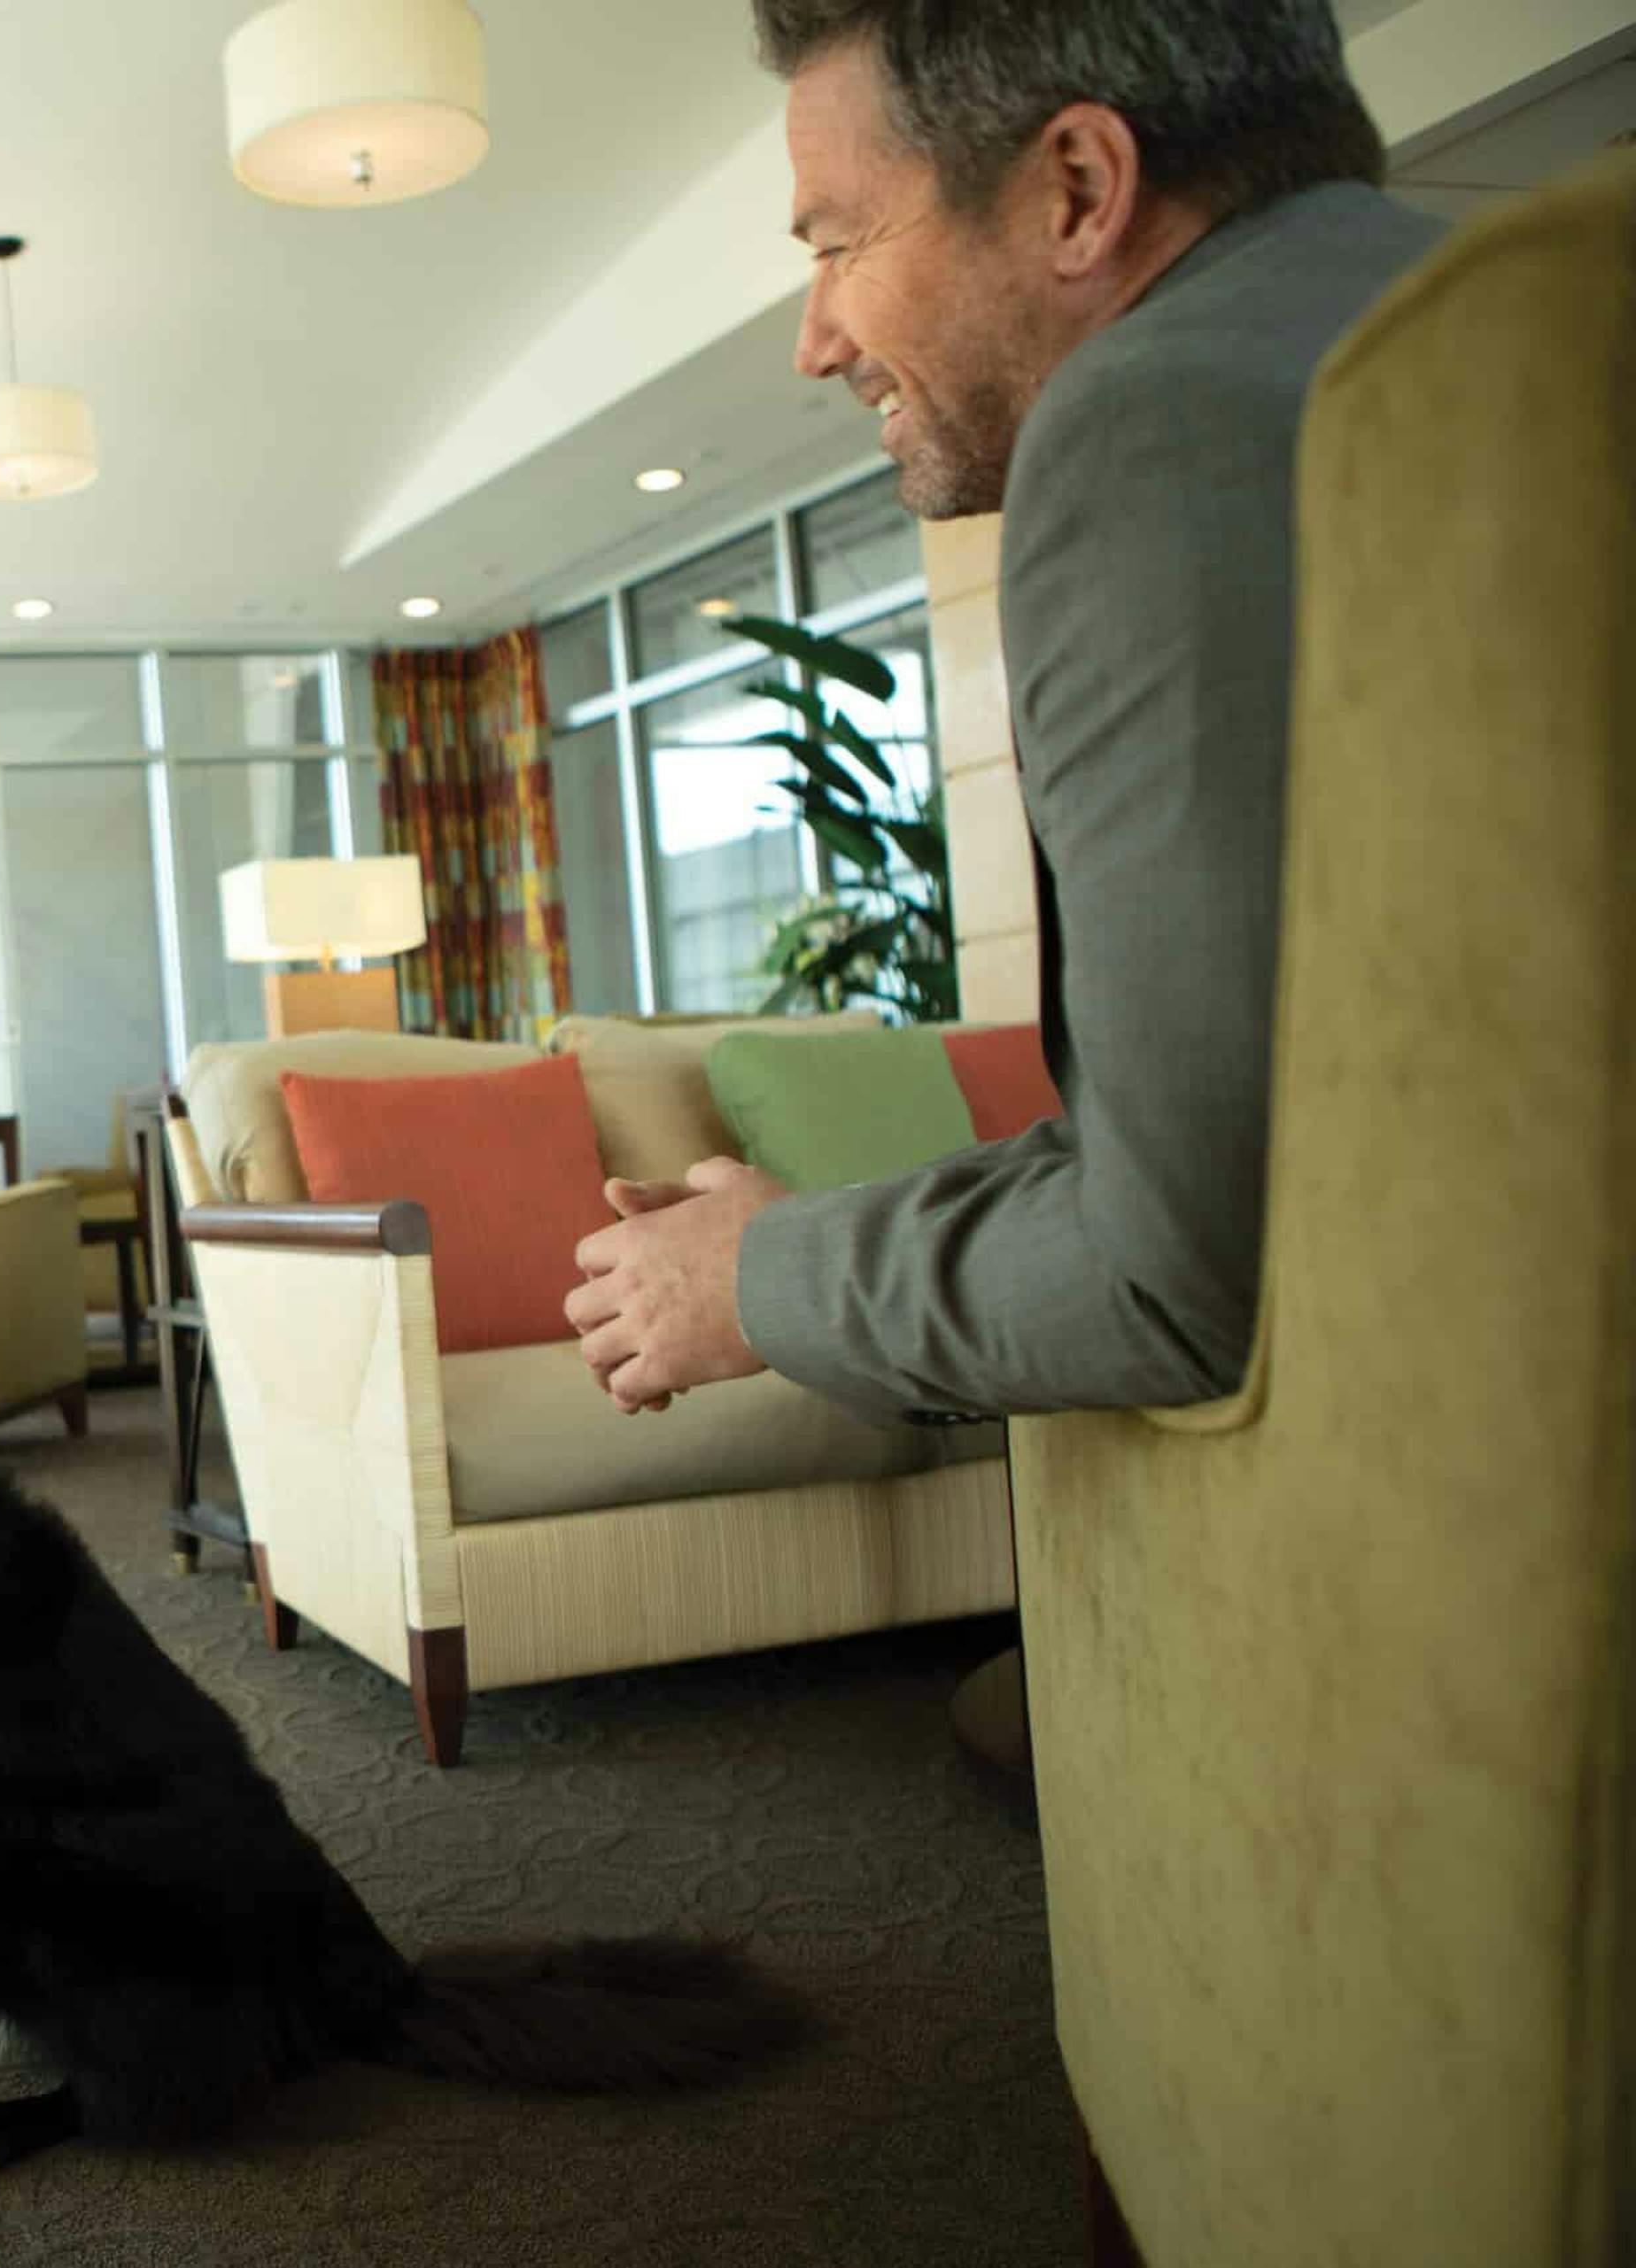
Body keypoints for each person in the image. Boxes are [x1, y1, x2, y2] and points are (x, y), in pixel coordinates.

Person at [567, 0, 1443, 1426]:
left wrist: (758, 1282)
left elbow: (1188, 1277)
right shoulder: (1460, 319)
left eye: (838, 244)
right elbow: (1295, 1128)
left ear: (1077, 190)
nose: (815, 340)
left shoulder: (1149, 420)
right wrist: (782, 1240)